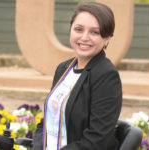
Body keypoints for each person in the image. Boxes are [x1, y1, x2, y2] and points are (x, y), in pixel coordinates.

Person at [32, 2, 122, 150]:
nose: (84, 37)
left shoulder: (106, 76)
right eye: (79, 29)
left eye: (94, 32)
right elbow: (47, 120)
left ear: (107, 38)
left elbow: (97, 140)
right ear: (71, 31)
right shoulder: (63, 69)